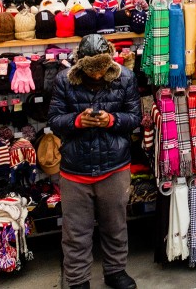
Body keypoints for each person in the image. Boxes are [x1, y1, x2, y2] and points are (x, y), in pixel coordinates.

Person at [48, 34, 141, 289]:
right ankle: (78, 280)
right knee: (76, 232)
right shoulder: (64, 81)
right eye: (92, 71)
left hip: (115, 166)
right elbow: (54, 121)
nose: (98, 76)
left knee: (116, 225)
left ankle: (115, 271)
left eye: (102, 70)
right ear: (81, 67)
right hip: (75, 169)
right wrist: (77, 121)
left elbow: (135, 118)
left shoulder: (125, 77)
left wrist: (111, 120)